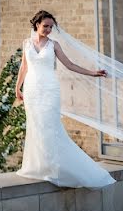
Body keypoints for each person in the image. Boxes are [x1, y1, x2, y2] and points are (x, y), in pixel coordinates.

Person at [15, 10, 115, 188]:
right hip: (31, 90)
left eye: (51, 27)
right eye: (45, 26)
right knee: (35, 126)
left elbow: (69, 65)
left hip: (49, 89)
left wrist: (93, 73)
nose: (48, 29)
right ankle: (38, 167)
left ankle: (57, 170)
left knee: (50, 127)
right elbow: (24, 67)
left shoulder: (54, 45)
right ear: (37, 24)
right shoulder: (26, 43)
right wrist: (17, 87)